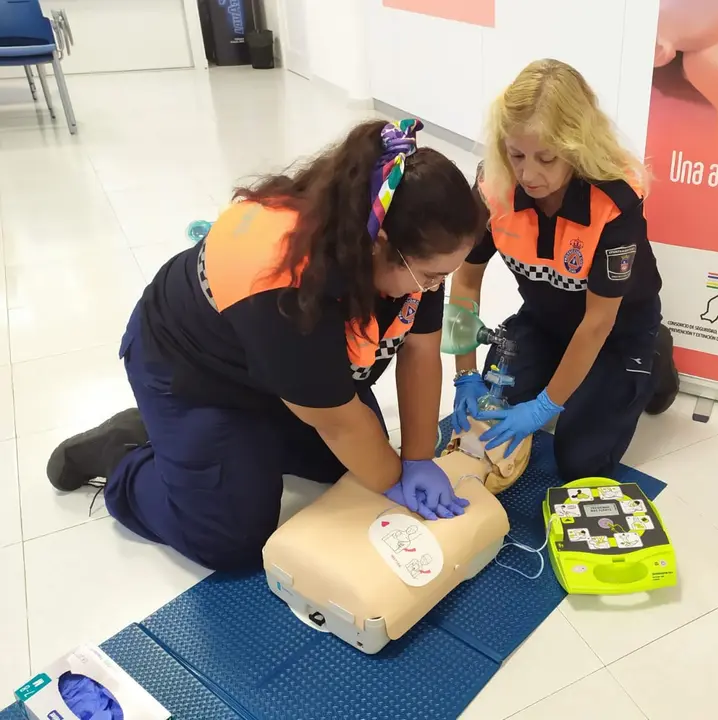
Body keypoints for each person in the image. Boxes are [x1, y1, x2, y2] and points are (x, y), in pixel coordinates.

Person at [46, 119, 483, 571]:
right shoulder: (287, 286)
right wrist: (395, 479)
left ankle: (222, 446)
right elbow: (339, 426)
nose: (434, 288)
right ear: (381, 245)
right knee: (232, 538)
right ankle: (124, 452)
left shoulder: (406, 246)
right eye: (430, 276)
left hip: (279, 369)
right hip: (193, 372)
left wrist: (417, 459)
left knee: (352, 467)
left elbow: (420, 352)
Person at [449, 59, 679, 482]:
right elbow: (465, 278)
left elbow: (597, 323)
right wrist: (464, 374)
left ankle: (656, 357)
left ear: (576, 148)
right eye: (516, 154)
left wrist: (543, 408)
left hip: (614, 333)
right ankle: (557, 371)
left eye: (547, 158)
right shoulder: (494, 185)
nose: (527, 174)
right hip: (545, 321)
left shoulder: (613, 202)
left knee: (579, 462)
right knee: (490, 417)